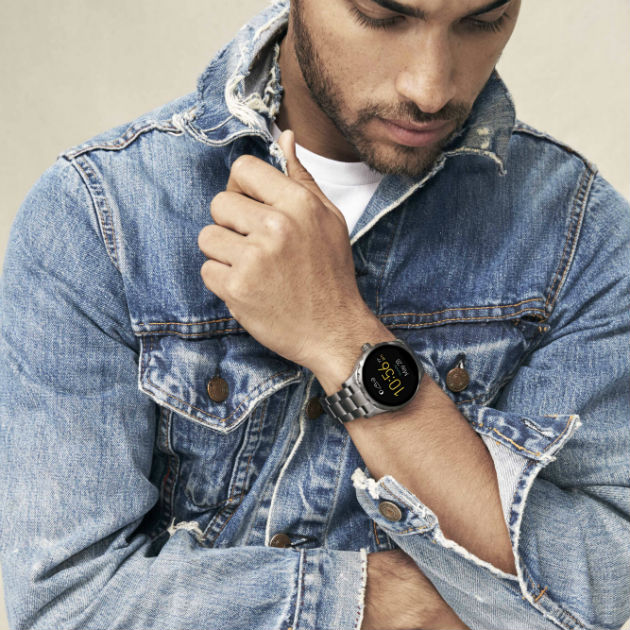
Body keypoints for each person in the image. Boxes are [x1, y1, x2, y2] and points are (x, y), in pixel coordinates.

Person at [0, 0, 628, 628]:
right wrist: (393, 601)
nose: (430, 89)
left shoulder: (578, 233)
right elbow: (66, 605)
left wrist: (341, 335)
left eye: (482, 20)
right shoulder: (101, 216)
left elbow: (600, 580)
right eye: (383, 15)